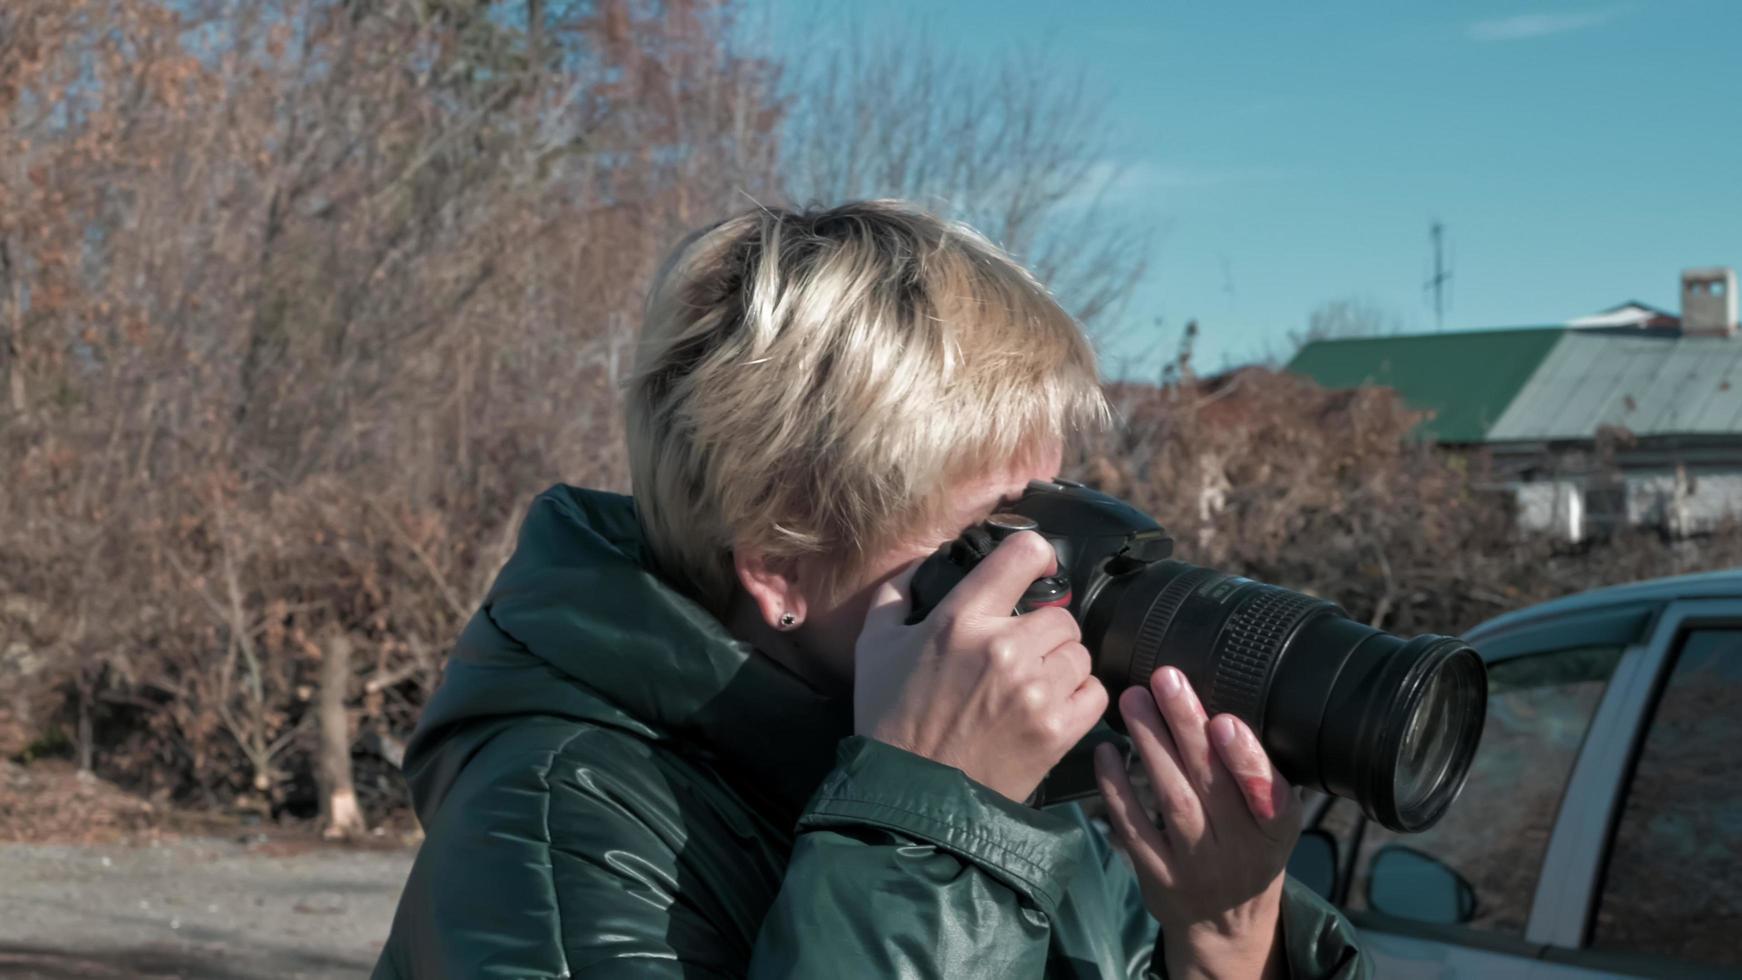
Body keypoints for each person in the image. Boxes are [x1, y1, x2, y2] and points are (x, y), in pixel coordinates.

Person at [373, 201, 1367, 979]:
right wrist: (929, 828)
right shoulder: (557, 831)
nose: (1051, 579)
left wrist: (1222, 937)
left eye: (1055, 507)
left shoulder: (1002, 769)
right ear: (780, 563)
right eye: (991, 535)